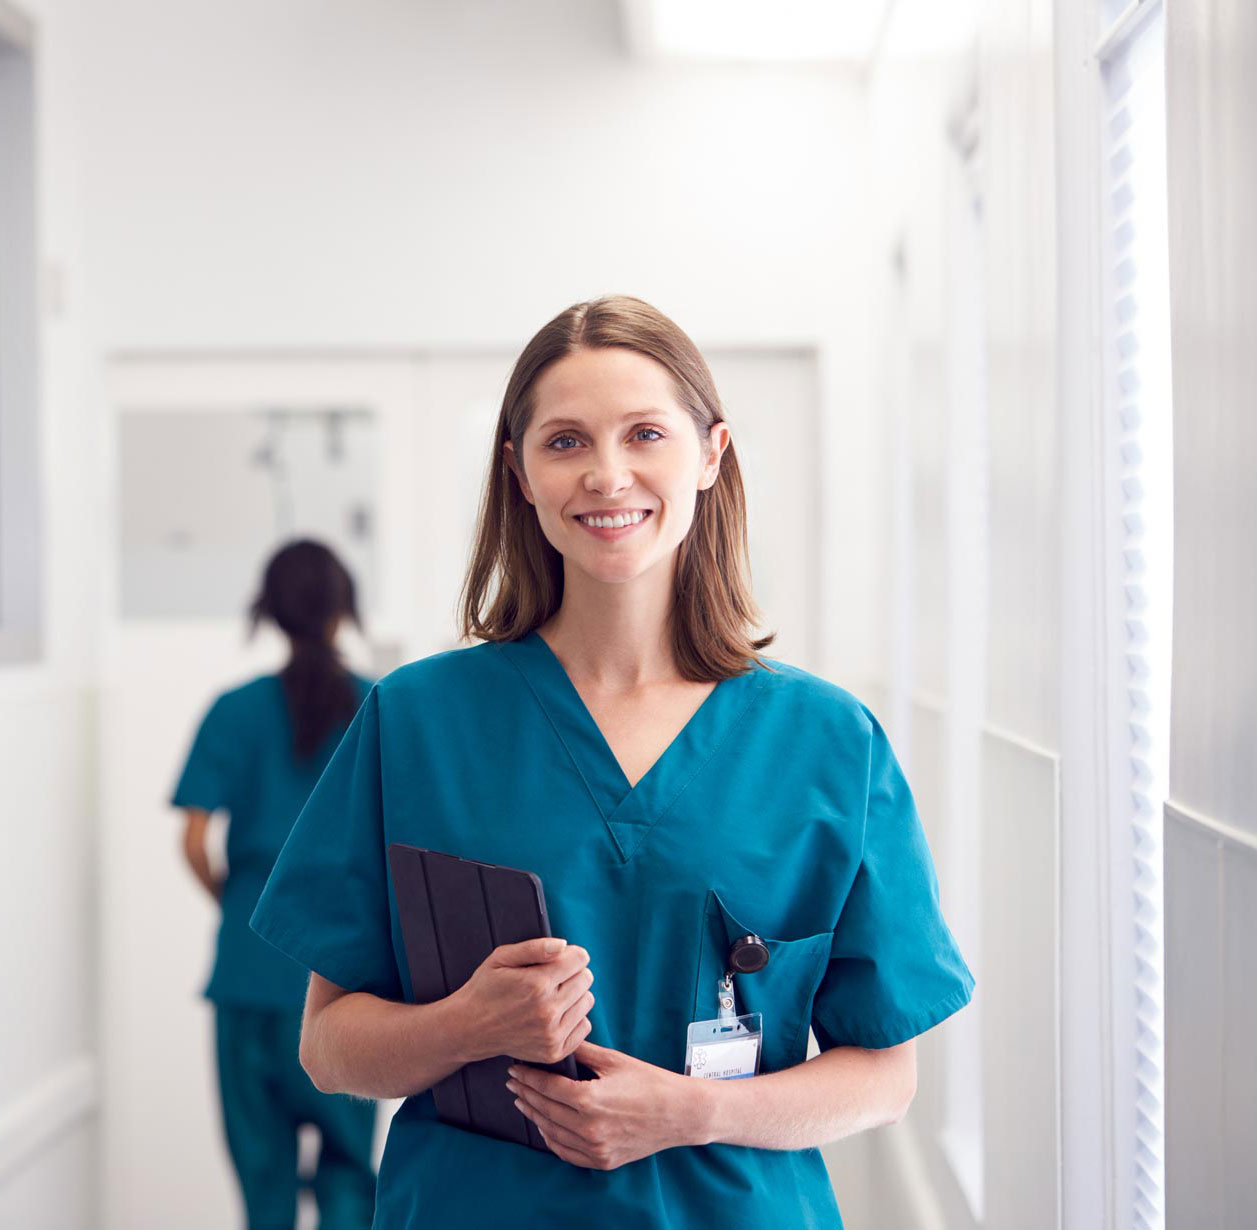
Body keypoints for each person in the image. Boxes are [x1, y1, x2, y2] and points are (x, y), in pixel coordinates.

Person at [249, 296, 975, 1228]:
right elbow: (328, 1045)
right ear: (518, 474)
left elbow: (883, 1073)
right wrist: (469, 1024)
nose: (606, 475)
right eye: (563, 442)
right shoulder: (418, 720)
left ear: (711, 453)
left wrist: (694, 1111)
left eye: (644, 434)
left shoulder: (826, 741)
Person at [172, 539, 378, 1229]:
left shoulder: (233, 708)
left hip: (248, 975)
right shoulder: (378, 707)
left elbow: (194, 841)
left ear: (267, 611)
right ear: (342, 609)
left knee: (263, 1184)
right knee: (351, 1178)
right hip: (347, 977)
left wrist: (242, 904)